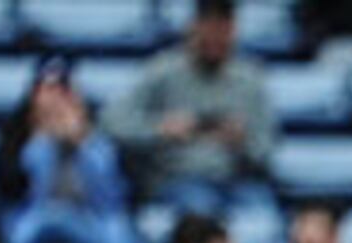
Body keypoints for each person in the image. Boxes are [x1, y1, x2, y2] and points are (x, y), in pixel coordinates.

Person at [109, 0, 280, 230]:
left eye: (223, 29)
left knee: (266, 219)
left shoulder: (250, 81)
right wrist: (160, 129)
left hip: (237, 182)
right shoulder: (163, 72)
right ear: (193, 28)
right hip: (180, 181)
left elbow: (266, 151)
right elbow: (113, 123)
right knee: (202, 214)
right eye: (209, 28)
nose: (216, 38)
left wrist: (241, 142)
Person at [1, 59, 145, 243]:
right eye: (49, 91)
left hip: (95, 221)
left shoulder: (100, 143)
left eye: (64, 92)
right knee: (39, 225)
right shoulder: (17, 140)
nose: (56, 102)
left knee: (119, 234)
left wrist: (80, 143)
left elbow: (113, 198)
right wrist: (45, 141)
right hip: (37, 218)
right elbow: (20, 190)